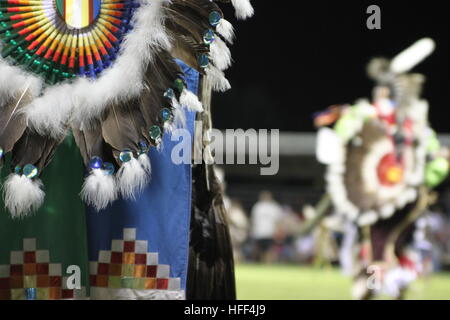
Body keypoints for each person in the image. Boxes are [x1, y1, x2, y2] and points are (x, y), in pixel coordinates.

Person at [250, 191, 283, 263]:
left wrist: (278, 231)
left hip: (270, 232)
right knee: (260, 250)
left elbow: (278, 221)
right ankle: (262, 263)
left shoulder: (274, 207)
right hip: (259, 232)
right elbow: (253, 220)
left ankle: (268, 263)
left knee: (270, 250)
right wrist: (252, 231)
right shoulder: (257, 206)